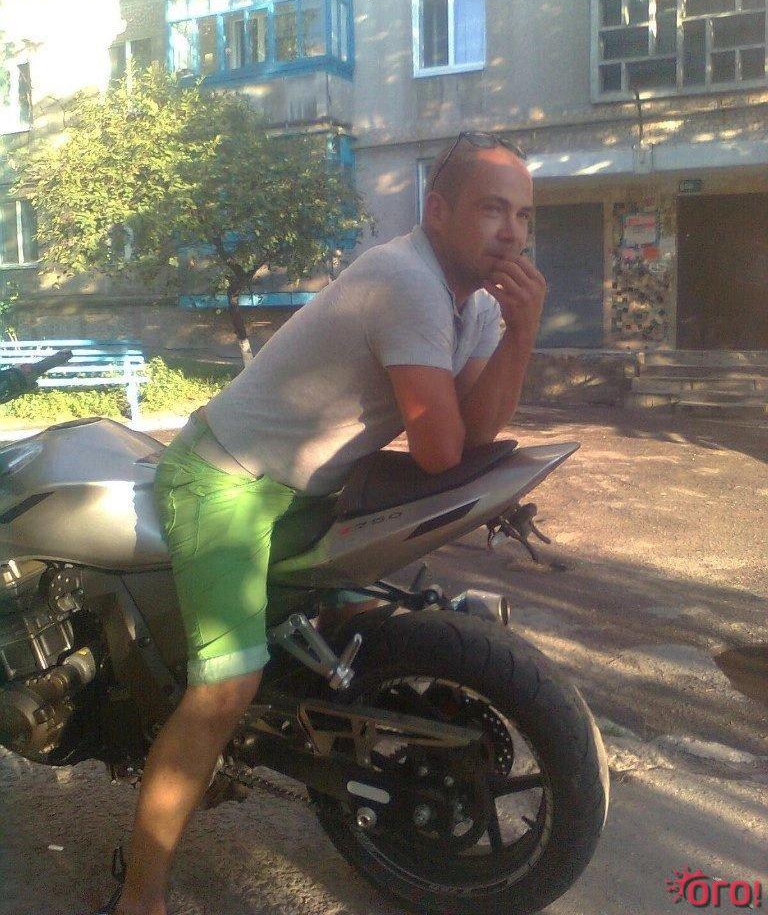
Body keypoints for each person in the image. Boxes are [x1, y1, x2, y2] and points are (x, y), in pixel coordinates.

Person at [101, 131, 546, 915]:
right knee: (224, 687)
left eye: (522, 215)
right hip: (227, 481)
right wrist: (521, 334)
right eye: (492, 210)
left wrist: (521, 331)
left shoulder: (476, 307)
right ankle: (142, 896)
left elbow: (477, 430)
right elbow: (442, 449)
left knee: (335, 633)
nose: (511, 232)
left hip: (306, 490)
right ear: (439, 212)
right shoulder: (407, 280)